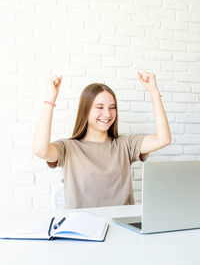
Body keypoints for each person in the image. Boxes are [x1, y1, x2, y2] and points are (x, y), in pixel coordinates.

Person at [33, 72, 171, 209]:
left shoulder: (125, 144)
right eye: (100, 107)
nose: (107, 114)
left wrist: (154, 93)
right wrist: (50, 99)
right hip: (83, 226)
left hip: (122, 225)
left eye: (112, 108)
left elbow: (163, 139)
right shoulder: (68, 147)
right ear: (85, 111)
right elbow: (40, 150)